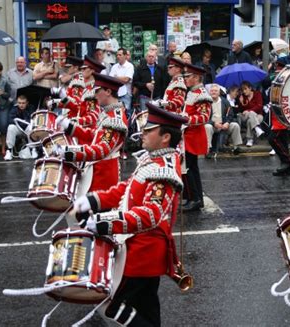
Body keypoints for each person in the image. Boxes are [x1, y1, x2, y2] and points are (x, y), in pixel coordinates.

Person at [72, 103, 188, 326]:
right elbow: (126, 188)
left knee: (109, 303)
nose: (142, 132)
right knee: (145, 308)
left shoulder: (163, 169)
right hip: (139, 247)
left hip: (143, 251)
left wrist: (103, 222)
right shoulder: (153, 159)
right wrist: (92, 200)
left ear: (165, 137)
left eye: (148, 130)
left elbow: (150, 214)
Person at [57, 73, 128, 193]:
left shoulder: (115, 118)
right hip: (97, 169)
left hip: (103, 174)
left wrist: (69, 151)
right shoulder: (108, 112)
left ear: (108, 92)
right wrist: (69, 126)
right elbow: (94, 134)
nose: (94, 95)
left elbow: (102, 149)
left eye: (97, 91)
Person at [181, 63, 212, 212]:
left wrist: (185, 120)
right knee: (190, 168)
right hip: (188, 135)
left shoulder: (202, 94)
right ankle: (193, 197)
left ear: (196, 77)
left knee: (190, 168)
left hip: (193, 136)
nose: (185, 79)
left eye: (187, 76)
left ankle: (196, 199)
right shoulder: (193, 91)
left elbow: (204, 117)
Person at [205, 83, 242, 156]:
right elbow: (204, 118)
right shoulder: (206, 102)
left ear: (219, 92)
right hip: (213, 126)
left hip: (223, 125)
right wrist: (213, 123)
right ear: (209, 92)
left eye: (215, 91)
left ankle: (236, 147)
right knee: (207, 127)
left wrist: (227, 122)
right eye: (212, 91)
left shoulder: (225, 102)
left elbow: (230, 114)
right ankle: (208, 149)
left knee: (235, 125)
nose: (214, 92)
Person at [4, 95, 36, 160]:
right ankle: (9, 151)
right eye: (19, 103)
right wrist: (22, 123)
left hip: (28, 130)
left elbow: (33, 120)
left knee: (31, 127)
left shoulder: (31, 108)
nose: (21, 105)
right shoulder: (14, 108)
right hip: (19, 129)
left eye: (23, 103)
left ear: (27, 103)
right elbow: (10, 120)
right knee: (11, 127)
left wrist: (22, 122)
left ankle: (32, 149)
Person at [110, 48, 134, 117]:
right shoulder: (114, 66)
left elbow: (126, 79)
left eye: (120, 55)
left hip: (125, 94)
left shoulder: (130, 66)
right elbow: (110, 79)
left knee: (126, 114)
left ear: (125, 56)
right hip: (115, 94)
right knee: (115, 114)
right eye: (117, 55)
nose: (118, 56)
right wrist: (121, 78)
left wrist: (116, 77)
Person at [238, 81, 264, 147]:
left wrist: (249, 111)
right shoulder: (242, 97)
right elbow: (240, 110)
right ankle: (257, 128)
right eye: (243, 89)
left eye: (245, 89)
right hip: (245, 116)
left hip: (258, 115)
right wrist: (241, 103)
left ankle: (250, 140)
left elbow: (259, 106)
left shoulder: (257, 94)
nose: (244, 91)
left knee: (250, 120)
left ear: (250, 88)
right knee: (250, 114)